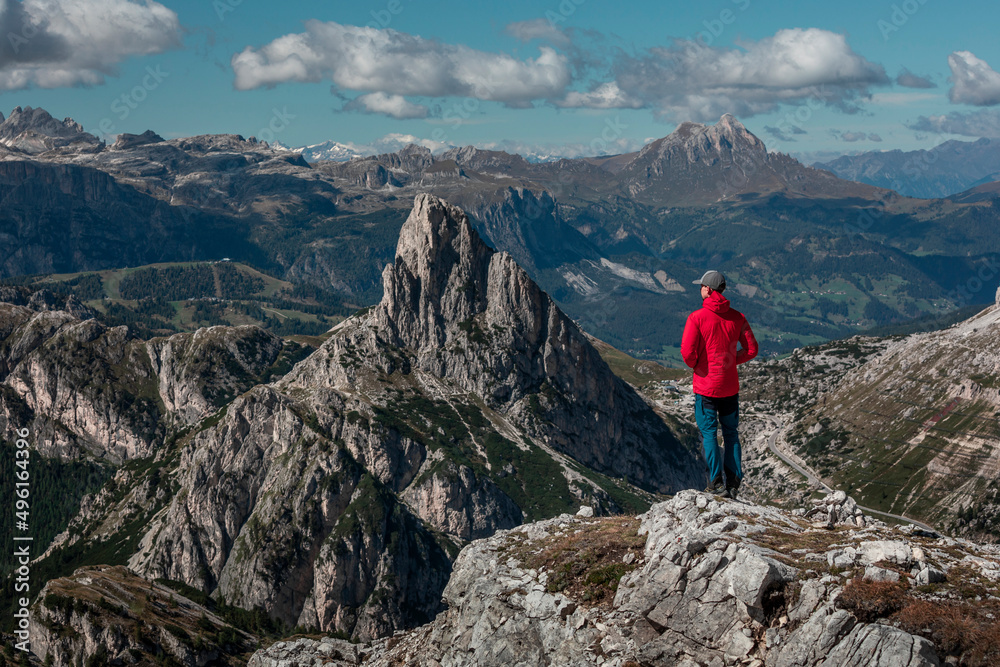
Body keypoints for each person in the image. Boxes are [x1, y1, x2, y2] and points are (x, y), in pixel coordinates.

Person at [681, 270, 758, 499]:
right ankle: (733, 484)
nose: (700, 289)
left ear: (708, 289)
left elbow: (687, 353)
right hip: (729, 387)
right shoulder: (738, 317)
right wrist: (732, 360)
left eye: (701, 286)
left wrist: (699, 365)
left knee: (709, 434)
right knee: (731, 433)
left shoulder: (697, 317)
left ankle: (716, 484)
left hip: (706, 387)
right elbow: (752, 349)